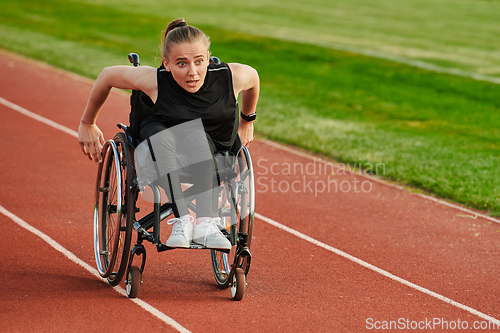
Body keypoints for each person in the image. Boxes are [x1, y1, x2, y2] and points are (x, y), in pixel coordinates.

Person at [78, 18, 259, 250]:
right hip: (162, 143)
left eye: (199, 61)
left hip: (213, 146)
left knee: (197, 135)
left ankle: (205, 224)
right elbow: (107, 75)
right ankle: (183, 220)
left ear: (208, 57)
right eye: (181, 64)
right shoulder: (155, 80)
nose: (192, 72)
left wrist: (247, 120)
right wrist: (87, 123)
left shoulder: (229, 77)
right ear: (167, 64)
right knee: (172, 134)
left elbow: (253, 77)